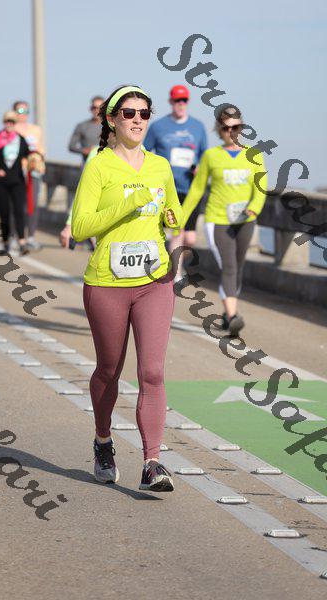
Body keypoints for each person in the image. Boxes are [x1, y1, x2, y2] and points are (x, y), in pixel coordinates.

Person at [71, 85, 182, 491]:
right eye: (129, 113)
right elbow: (80, 227)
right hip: (107, 282)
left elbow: (174, 213)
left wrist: (173, 228)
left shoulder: (160, 166)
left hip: (154, 282)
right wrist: (129, 204)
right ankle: (103, 441)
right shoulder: (98, 166)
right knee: (108, 369)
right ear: (112, 119)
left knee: (152, 371)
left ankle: (153, 462)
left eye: (144, 113)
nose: (137, 120)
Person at [181, 105, 267, 336]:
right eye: (226, 128)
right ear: (219, 130)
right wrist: (180, 218)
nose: (231, 132)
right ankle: (233, 315)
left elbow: (260, 188)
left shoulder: (254, 155)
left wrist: (254, 208)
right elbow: (197, 190)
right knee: (229, 267)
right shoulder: (211, 156)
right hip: (218, 220)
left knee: (238, 268)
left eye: (236, 127)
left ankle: (228, 314)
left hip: (245, 220)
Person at [144, 85, 207, 280]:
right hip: (167, 188)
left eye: (184, 100)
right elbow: (145, 152)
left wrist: (199, 166)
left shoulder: (198, 127)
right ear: (170, 102)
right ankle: (176, 273)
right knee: (175, 232)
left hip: (190, 189)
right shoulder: (158, 127)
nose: (180, 104)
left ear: (187, 102)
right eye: (177, 100)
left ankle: (172, 261)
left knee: (190, 238)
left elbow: (204, 155)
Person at [0, 110, 30, 255]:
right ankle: (6, 243)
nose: (9, 124)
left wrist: (36, 159)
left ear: (15, 123)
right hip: (0, 183)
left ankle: (22, 243)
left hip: (17, 181)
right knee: (4, 214)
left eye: (12, 122)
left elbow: (29, 154)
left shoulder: (21, 139)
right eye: (7, 122)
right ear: (4, 122)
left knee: (19, 212)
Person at [13, 100, 45, 250]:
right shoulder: (11, 130)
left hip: (33, 170)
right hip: (17, 171)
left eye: (26, 111)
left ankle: (30, 236)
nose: (23, 114)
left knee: (33, 204)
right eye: (20, 111)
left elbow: (41, 148)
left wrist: (38, 157)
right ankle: (15, 236)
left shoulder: (36, 130)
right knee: (17, 204)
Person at [68, 96, 103, 163]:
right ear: (90, 108)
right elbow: (71, 146)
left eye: (100, 108)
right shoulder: (81, 126)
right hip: (87, 164)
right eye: (94, 108)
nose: (97, 110)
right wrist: (85, 151)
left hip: (106, 165)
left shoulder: (111, 126)